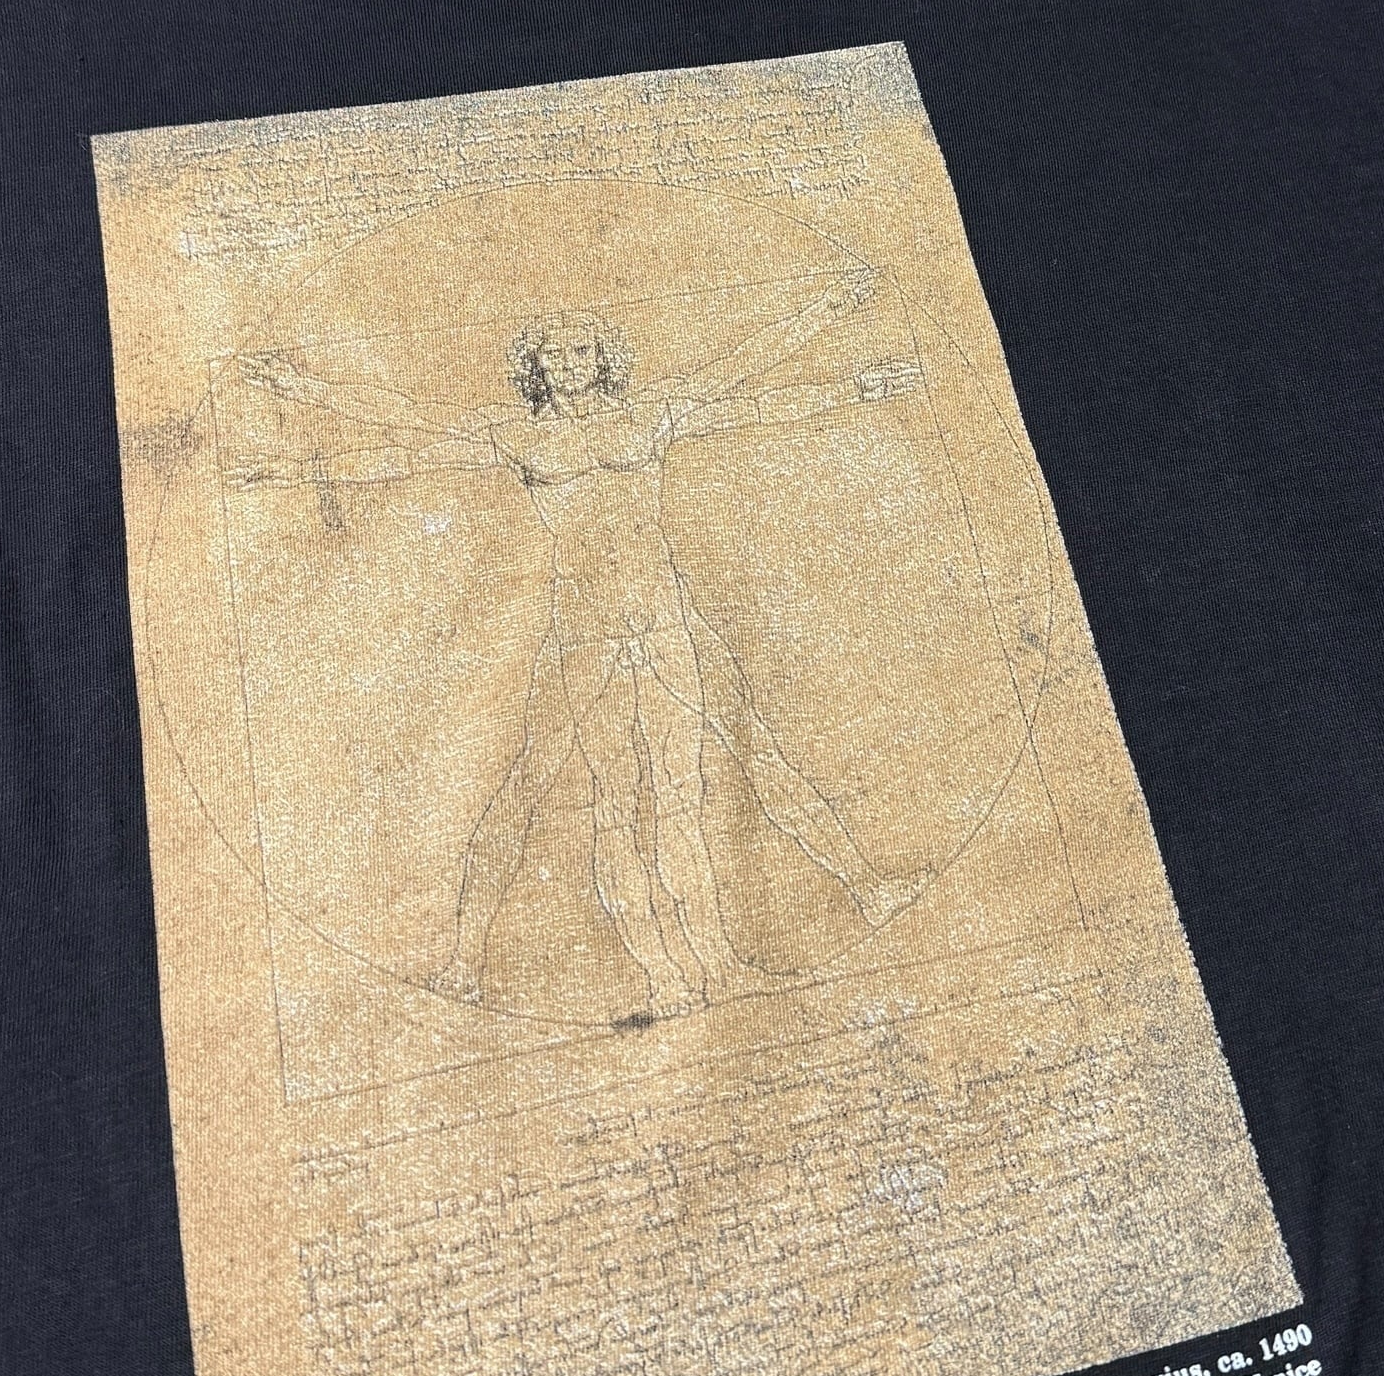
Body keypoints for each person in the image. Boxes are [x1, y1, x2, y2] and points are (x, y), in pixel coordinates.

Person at [242, 270, 925, 1019]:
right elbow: (410, 433)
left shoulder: (652, 415)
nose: (568, 365)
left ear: (603, 358)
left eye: (581, 350)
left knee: (696, 787)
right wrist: (298, 416)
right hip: (586, 628)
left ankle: (735, 958)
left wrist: (845, 353)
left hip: (663, 615)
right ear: (534, 367)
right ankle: (658, 978)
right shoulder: (518, 435)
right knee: (611, 803)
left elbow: (747, 383)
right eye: (554, 354)